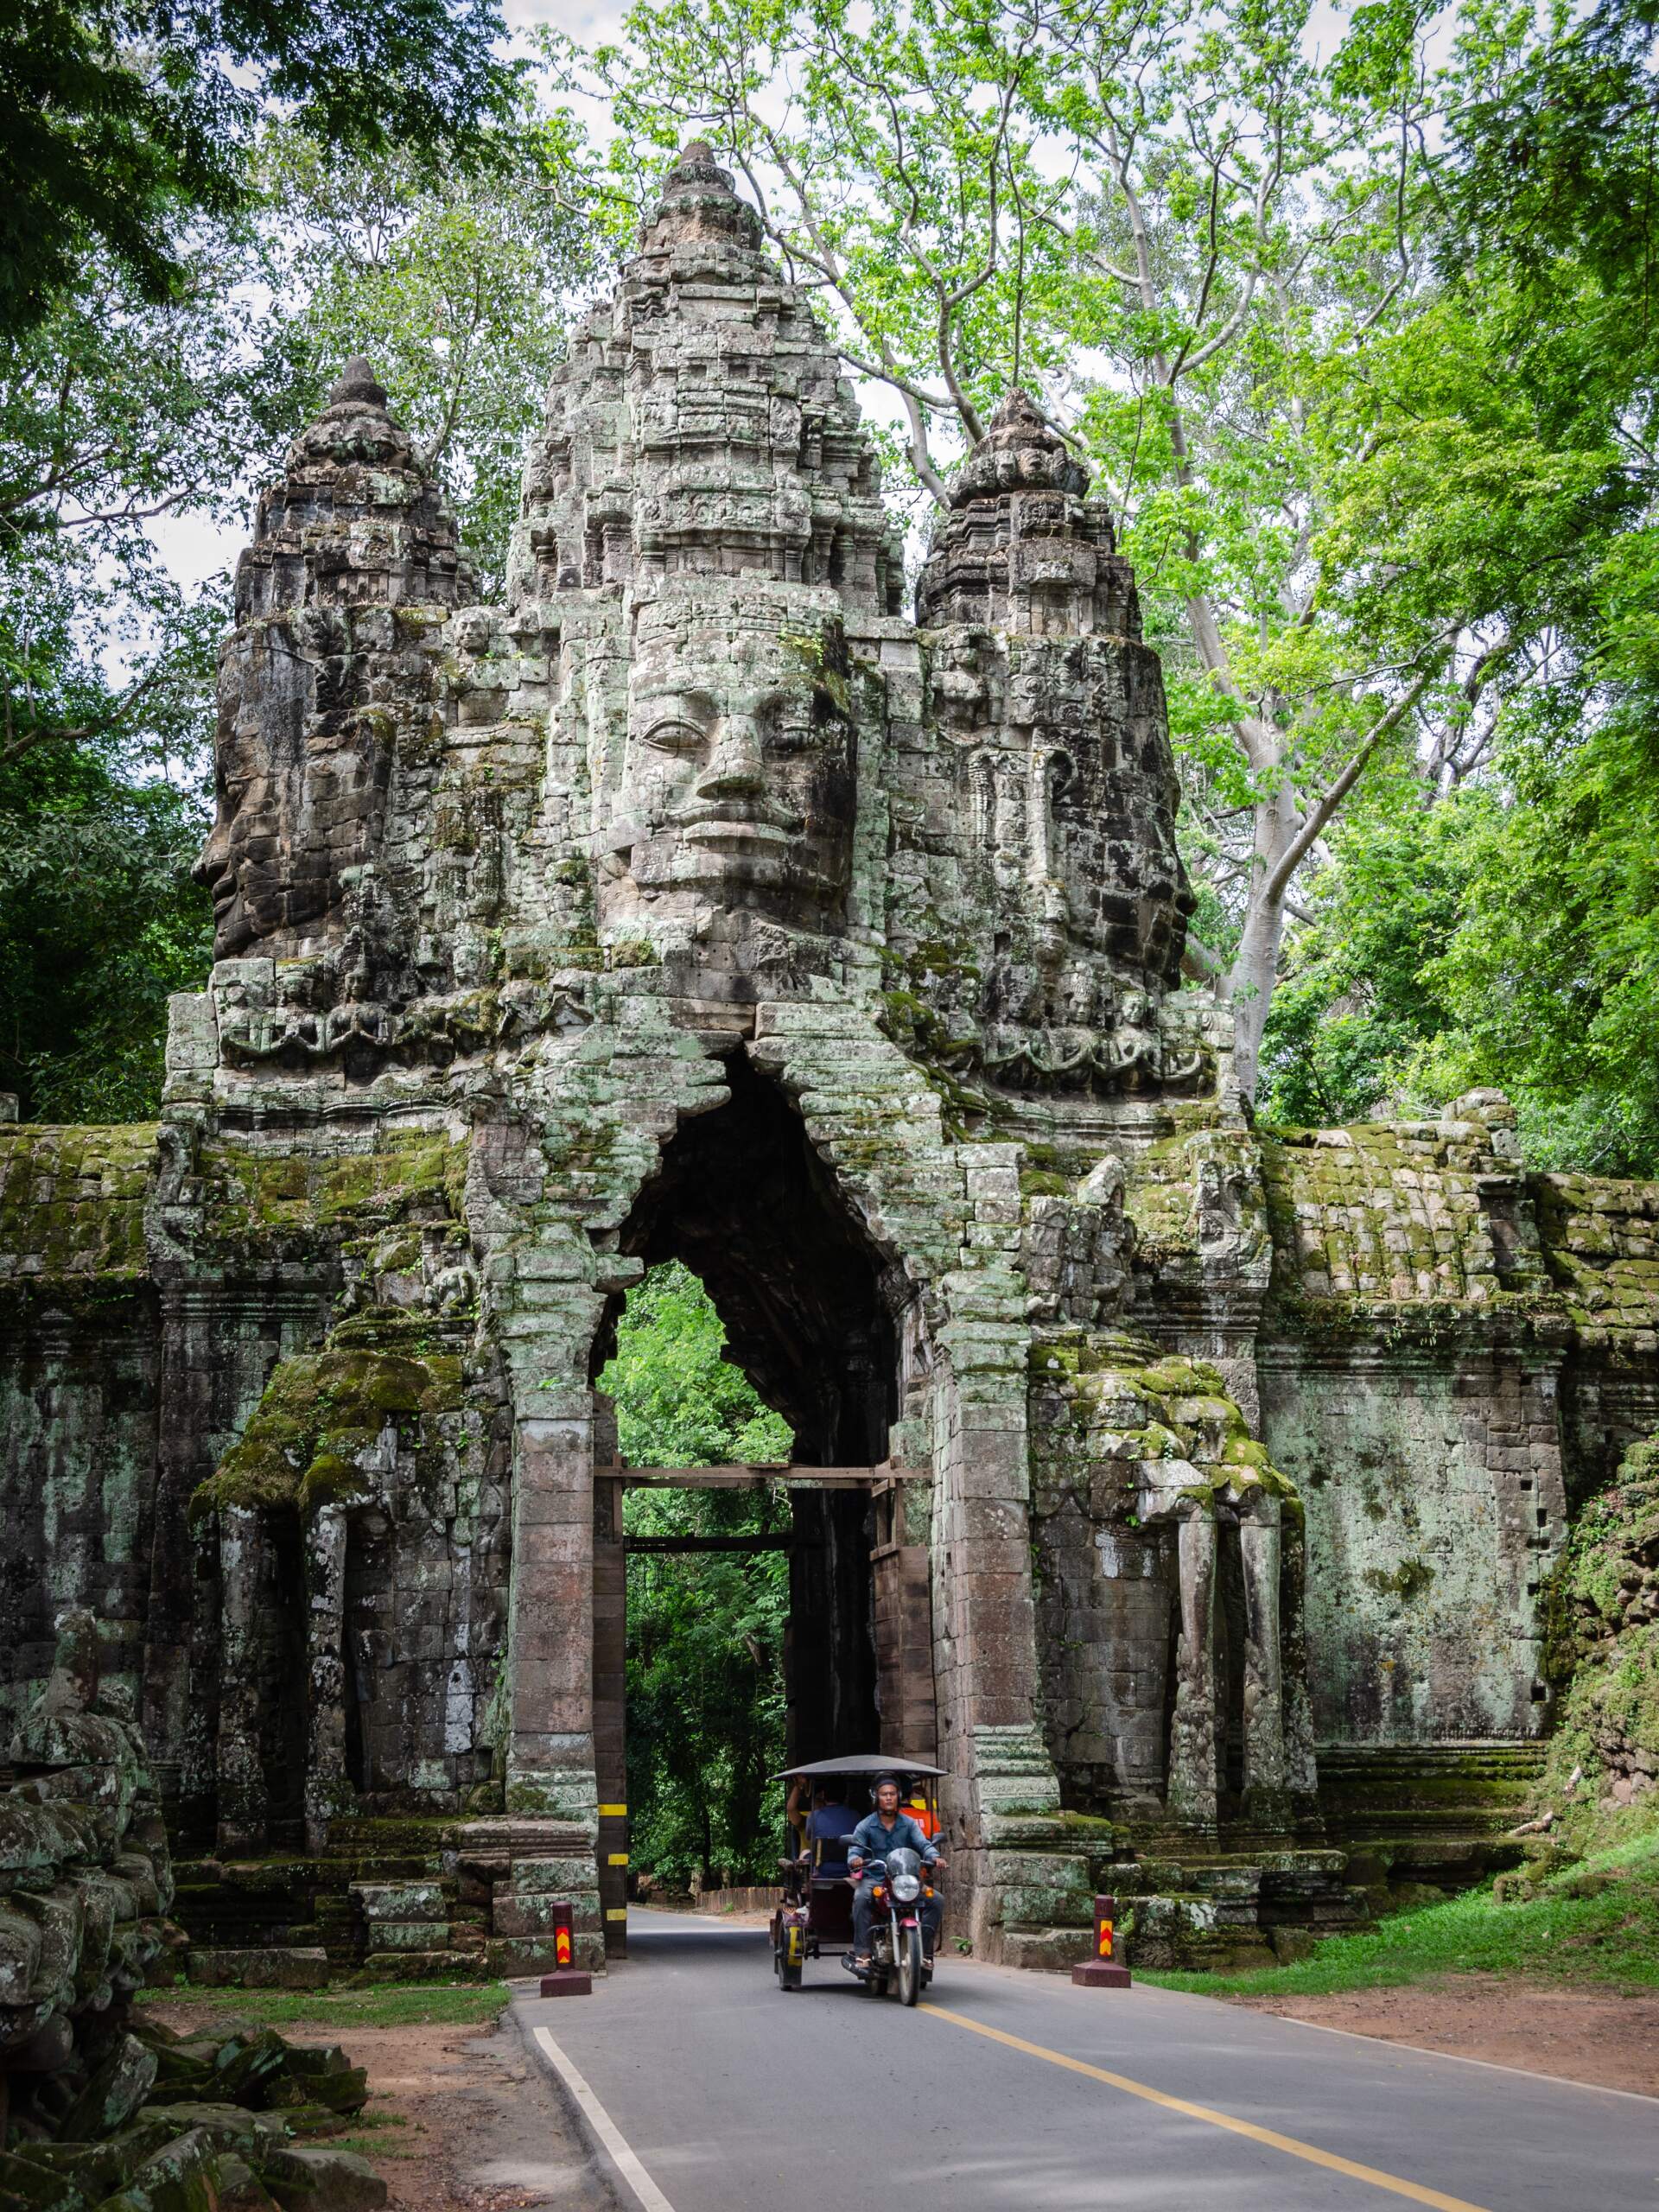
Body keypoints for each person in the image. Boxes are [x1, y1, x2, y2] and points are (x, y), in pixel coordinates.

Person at [848, 1774, 944, 1974]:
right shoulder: (866, 1825)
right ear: (876, 1797)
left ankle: (924, 1953)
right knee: (861, 1898)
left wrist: (935, 1857)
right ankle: (863, 1953)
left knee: (936, 1900)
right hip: (876, 1879)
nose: (889, 1798)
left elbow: (923, 1844)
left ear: (899, 1796)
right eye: (884, 1794)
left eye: (892, 1794)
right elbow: (854, 1851)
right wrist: (855, 1860)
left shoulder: (908, 1824)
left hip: (905, 1879)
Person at [804, 1783, 859, 1880]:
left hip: (822, 1871)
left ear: (824, 1795)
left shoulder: (813, 1816)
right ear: (845, 1796)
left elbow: (808, 1837)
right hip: (849, 1870)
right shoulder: (855, 1815)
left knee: (805, 1851)